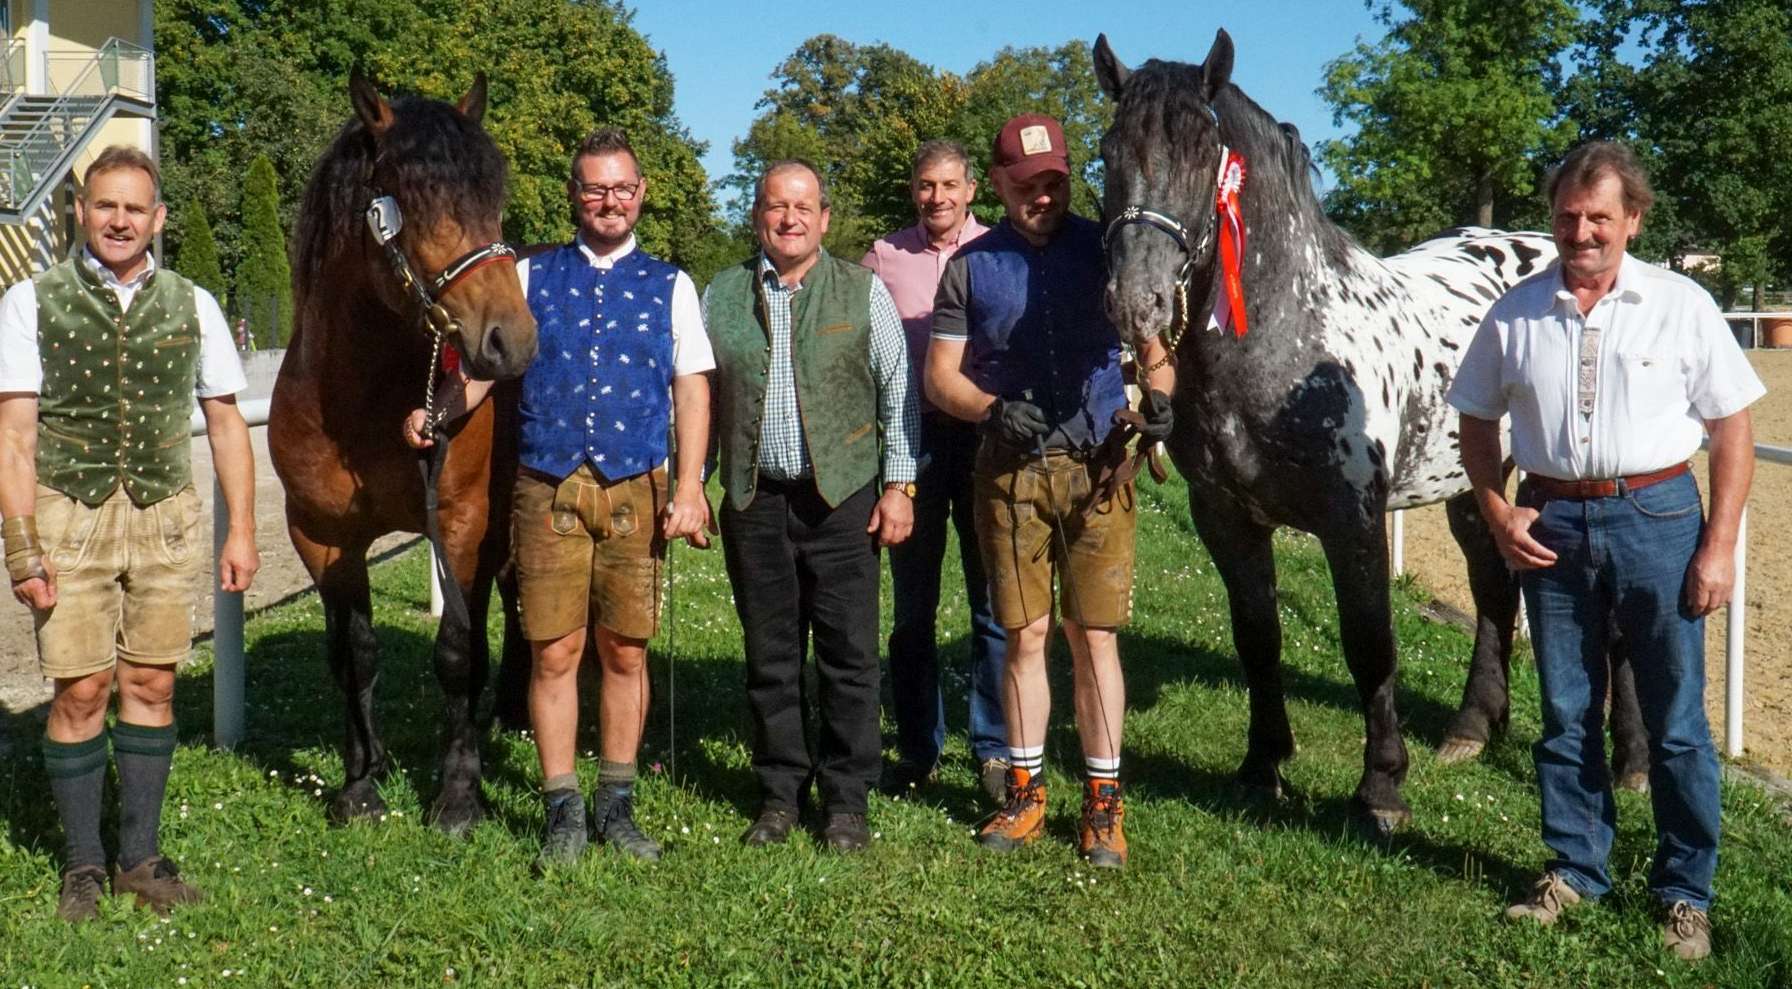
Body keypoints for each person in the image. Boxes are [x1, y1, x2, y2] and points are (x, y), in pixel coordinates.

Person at [1447, 141, 1763, 962]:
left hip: (1657, 514)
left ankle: (1685, 891)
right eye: (1566, 217)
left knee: (1678, 721)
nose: (1581, 233)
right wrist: (1495, 506)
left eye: (1598, 217)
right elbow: (1476, 420)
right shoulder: (1515, 312)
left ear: (1633, 219)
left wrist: (1719, 543)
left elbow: (1732, 427)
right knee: (1566, 712)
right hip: (1551, 521)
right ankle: (1576, 867)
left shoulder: (1680, 303)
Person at [403, 129, 713, 867]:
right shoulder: (533, 276)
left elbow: (692, 385)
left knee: (625, 651)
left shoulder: (672, 284)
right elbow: (486, 365)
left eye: (623, 188)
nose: (610, 201)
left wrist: (693, 483)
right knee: (554, 651)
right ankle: (562, 806)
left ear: (641, 195)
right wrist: (437, 410)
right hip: (547, 485)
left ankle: (618, 800)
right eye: (595, 188)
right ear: (575, 195)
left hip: (636, 485)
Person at [0, 146, 259, 921]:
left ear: (158, 218)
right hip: (67, 517)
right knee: (79, 688)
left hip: (162, 517)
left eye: (134, 208)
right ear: (81, 211)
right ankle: (82, 862)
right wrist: (20, 544)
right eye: (105, 205)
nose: (119, 220)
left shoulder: (193, 302)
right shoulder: (29, 300)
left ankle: (139, 859)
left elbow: (225, 424)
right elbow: (13, 434)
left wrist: (240, 530)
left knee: (152, 681)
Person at [926, 114, 1174, 869]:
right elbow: (941, 377)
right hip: (1010, 475)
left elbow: (1158, 355)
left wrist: (1161, 398)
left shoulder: (1106, 251)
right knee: (1024, 635)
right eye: (1029, 184)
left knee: (1094, 637)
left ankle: (1103, 804)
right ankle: (1026, 792)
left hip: (1099, 471)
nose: (1045, 195)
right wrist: (992, 408)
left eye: (1056, 182)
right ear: (997, 185)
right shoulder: (971, 266)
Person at [703, 159, 918, 853]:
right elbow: (699, 400)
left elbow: (899, 391)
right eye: (775, 205)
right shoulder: (721, 295)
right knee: (770, 654)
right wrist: (687, 486)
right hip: (755, 498)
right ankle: (779, 793)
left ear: (825, 218)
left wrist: (897, 484)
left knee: (849, 654)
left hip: (843, 499)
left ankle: (847, 799)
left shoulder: (863, 291)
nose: (789, 218)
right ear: (757, 216)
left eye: (803, 206)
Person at [860, 140, 1008, 803]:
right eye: (926, 186)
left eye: (950, 185)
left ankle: (995, 747)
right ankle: (919, 745)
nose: (938, 197)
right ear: (913, 190)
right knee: (913, 609)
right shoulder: (883, 257)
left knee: (993, 603)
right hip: (913, 439)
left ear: (972, 189)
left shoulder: (1000, 253)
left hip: (983, 439)